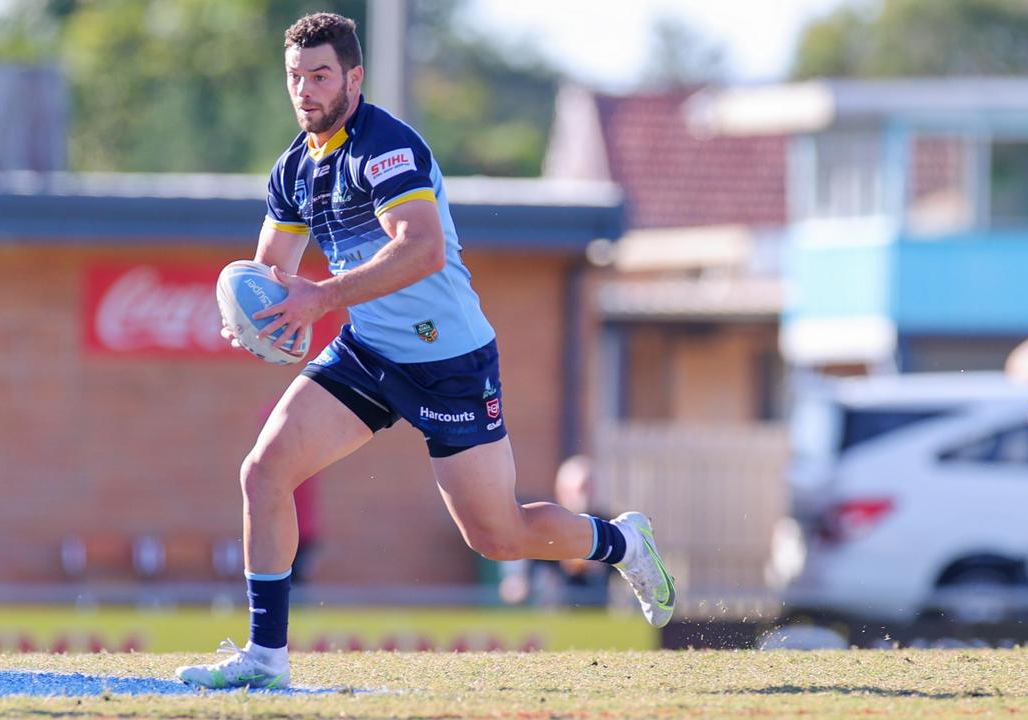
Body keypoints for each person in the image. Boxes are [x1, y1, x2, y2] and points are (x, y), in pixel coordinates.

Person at [176, 13, 674, 690]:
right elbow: (273, 276)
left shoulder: (386, 147)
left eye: (320, 75)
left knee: (496, 537)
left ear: (354, 76)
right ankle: (267, 656)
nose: (305, 90)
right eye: (295, 77)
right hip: (368, 351)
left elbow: (421, 247)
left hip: (450, 363)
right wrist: (259, 317)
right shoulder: (294, 169)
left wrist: (317, 300)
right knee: (263, 471)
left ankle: (623, 543)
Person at [498, 455, 612, 608]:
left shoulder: (606, 525)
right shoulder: (545, 525)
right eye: (582, 488)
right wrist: (521, 584)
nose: (587, 495)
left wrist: (602, 564)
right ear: (562, 491)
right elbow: (516, 581)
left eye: (591, 488)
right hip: (556, 615)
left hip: (600, 616)